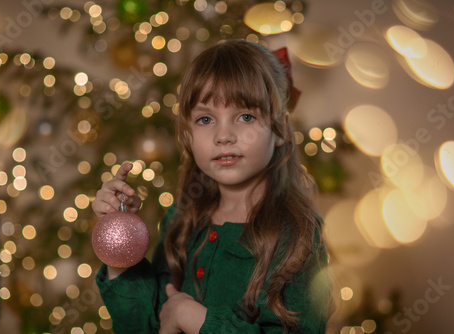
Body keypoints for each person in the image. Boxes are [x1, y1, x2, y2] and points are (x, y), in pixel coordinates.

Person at [92, 39, 331, 334]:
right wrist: (119, 248)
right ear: (188, 135)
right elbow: (146, 327)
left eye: (246, 116)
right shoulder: (182, 220)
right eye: (206, 119)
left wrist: (195, 318)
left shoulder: (298, 235)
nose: (224, 136)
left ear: (280, 129)